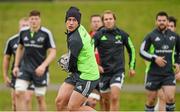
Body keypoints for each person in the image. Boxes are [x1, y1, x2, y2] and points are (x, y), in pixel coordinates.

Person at [55, 6, 99, 111]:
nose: (71, 23)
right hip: (78, 72)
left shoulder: (75, 39)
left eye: (74, 20)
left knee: (73, 108)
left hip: (87, 75)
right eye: (69, 19)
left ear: (78, 22)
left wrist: (66, 64)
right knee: (60, 102)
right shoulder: (77, 29)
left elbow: (72, 65)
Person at [13, 10, 56, 111]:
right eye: (32, 19)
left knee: (40, 98)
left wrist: (43, 66)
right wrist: (16, 65)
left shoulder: (46, 33)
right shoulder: (23, 32)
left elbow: (53, 51)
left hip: (40, 70)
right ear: (29, 20)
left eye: (36, 19)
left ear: (40, 20)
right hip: (25, 68)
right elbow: (19, 48)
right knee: (18, 92)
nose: (34, 21)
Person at [93, 10, 136, 111]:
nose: (108, 21)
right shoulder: (98, 35)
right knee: (105, 100)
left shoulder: (122, 34)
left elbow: (132, 50)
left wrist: (132, 67)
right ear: (103, 21)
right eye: (106, 19)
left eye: (110, 19)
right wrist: (96, 65)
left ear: (114, 20)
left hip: (118, 71)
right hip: (104, 73)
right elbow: (89, 52)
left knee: (115, 97)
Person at [140, 11, 180, 111]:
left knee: (170, 98)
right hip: (153, 74)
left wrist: (178, 63)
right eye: (159, 20)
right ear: (156, 22)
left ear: (167, 22)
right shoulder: (150, 36)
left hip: (168, 74)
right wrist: (154, 58)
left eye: (164, 20)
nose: (161, 22)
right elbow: (141, 51)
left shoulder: (175, 36)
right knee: (151, 100)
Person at [2, 17, 34, 111]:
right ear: (19, 27)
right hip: (16, 74)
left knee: (27, 100)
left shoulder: (35, 40)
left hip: (30, 74)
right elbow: (7, 58)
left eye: (26, 25)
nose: (24, 27)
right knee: (15, 102)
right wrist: (5, 75)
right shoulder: (12, 41)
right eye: (22, 25)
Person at [155, 16, 180, 111]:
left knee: (169, 99)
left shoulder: (177, 40)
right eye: (168, 26)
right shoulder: (159, 40)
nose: (169, 28)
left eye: (172, 26)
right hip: (160, 73)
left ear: (175, 28)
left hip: (174, 74)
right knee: (162, 98)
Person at [84, 14, 103, 110]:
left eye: (98, 21)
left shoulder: (107, 37)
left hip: (104, 72)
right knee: (90, 100)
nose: (96, 24)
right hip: (90, 73)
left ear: (102, 23)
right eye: (94, 22)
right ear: (90, 24)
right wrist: (96, 66)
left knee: (105, 99)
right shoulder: (86, 38)